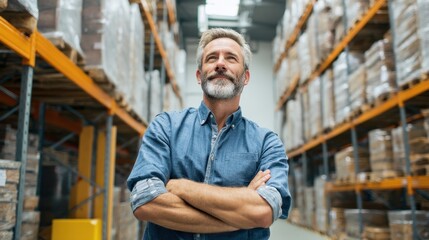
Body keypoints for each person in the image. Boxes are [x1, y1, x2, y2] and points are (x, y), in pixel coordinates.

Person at [127, 27, 291, 240]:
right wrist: (242, 212)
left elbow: (264, 212)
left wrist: (182, 187)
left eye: (231, 58)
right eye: (212, 58)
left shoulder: (267, 143)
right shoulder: (165, 127)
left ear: (246, 77)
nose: (220, 63)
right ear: (199, 75)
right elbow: (145, 201)